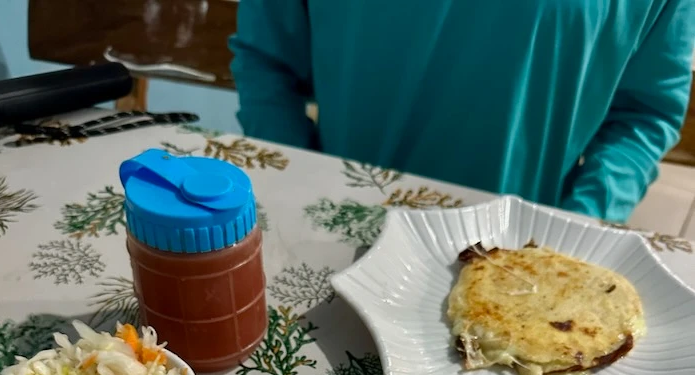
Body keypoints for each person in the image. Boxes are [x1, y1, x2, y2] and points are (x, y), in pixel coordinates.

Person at [230, 0, 695, 222]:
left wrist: (581, 219)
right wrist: (297, 187)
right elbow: (267, 63)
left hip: (521, 251)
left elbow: (644, 113)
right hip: (334, 223)